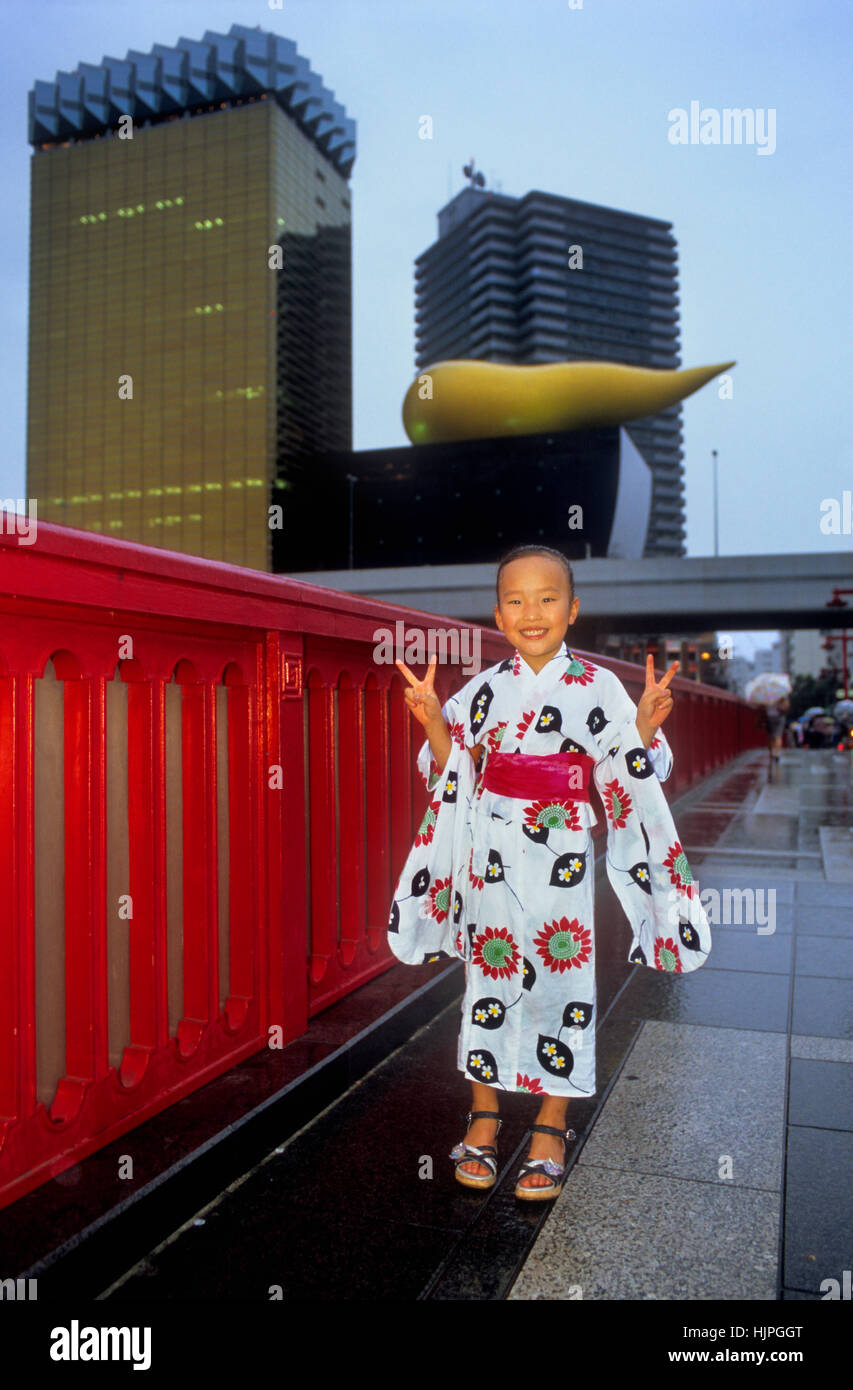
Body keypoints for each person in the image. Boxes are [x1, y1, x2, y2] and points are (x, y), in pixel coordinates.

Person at [386, 545, 711, 1202]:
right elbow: (451, 773)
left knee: (561, 976)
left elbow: (629, 772)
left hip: (559, 844)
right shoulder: (482, 690)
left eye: (546, 598)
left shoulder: (596, 686)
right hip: (490, 846)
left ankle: (550, 1125)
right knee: (490, 973)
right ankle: (483, 1115)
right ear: (497, 614)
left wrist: (643, 727)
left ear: (572, 610)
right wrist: (431, 721)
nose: (530, 612)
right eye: (515, 599)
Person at [763, 697, 789, 763]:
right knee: (778, 736)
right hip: (779, 716)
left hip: (769, 717)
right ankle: (777, 753)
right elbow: (787, 706)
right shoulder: (781, 695)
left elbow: (762, 707)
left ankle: (771, 753)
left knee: (770, 736)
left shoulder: (766, 696)